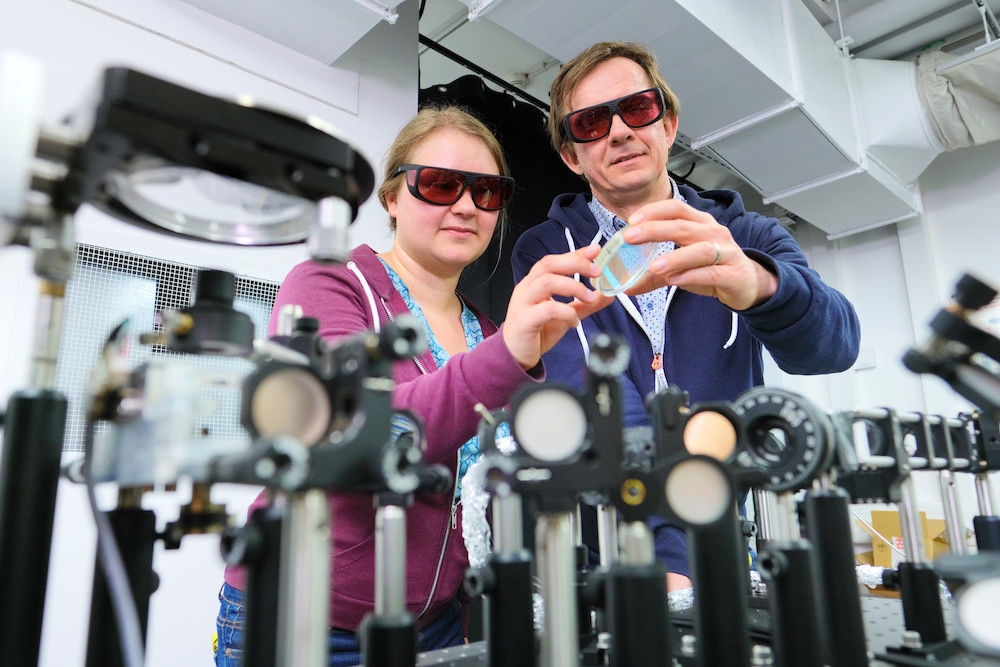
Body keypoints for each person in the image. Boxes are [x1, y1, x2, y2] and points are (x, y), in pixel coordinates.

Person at [214, 106, 606, 665]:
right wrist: (508, 356)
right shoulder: (332, 284)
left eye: (487, 192)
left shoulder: (485, 329)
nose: (466, 206)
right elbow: (364, 432)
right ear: (393, 198)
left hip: (436, 624)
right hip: (307, 623)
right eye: (441, 185)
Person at [511, 41, 861, 591]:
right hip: (604, 547)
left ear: (667, 124)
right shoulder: (548, 252)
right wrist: (672, 559)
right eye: (591, 122)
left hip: (723, 534)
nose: (620, 131)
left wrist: (759, 285)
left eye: (638, 109)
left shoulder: (748, 237)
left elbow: (834, 348)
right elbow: (589, 395)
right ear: (571, 156)